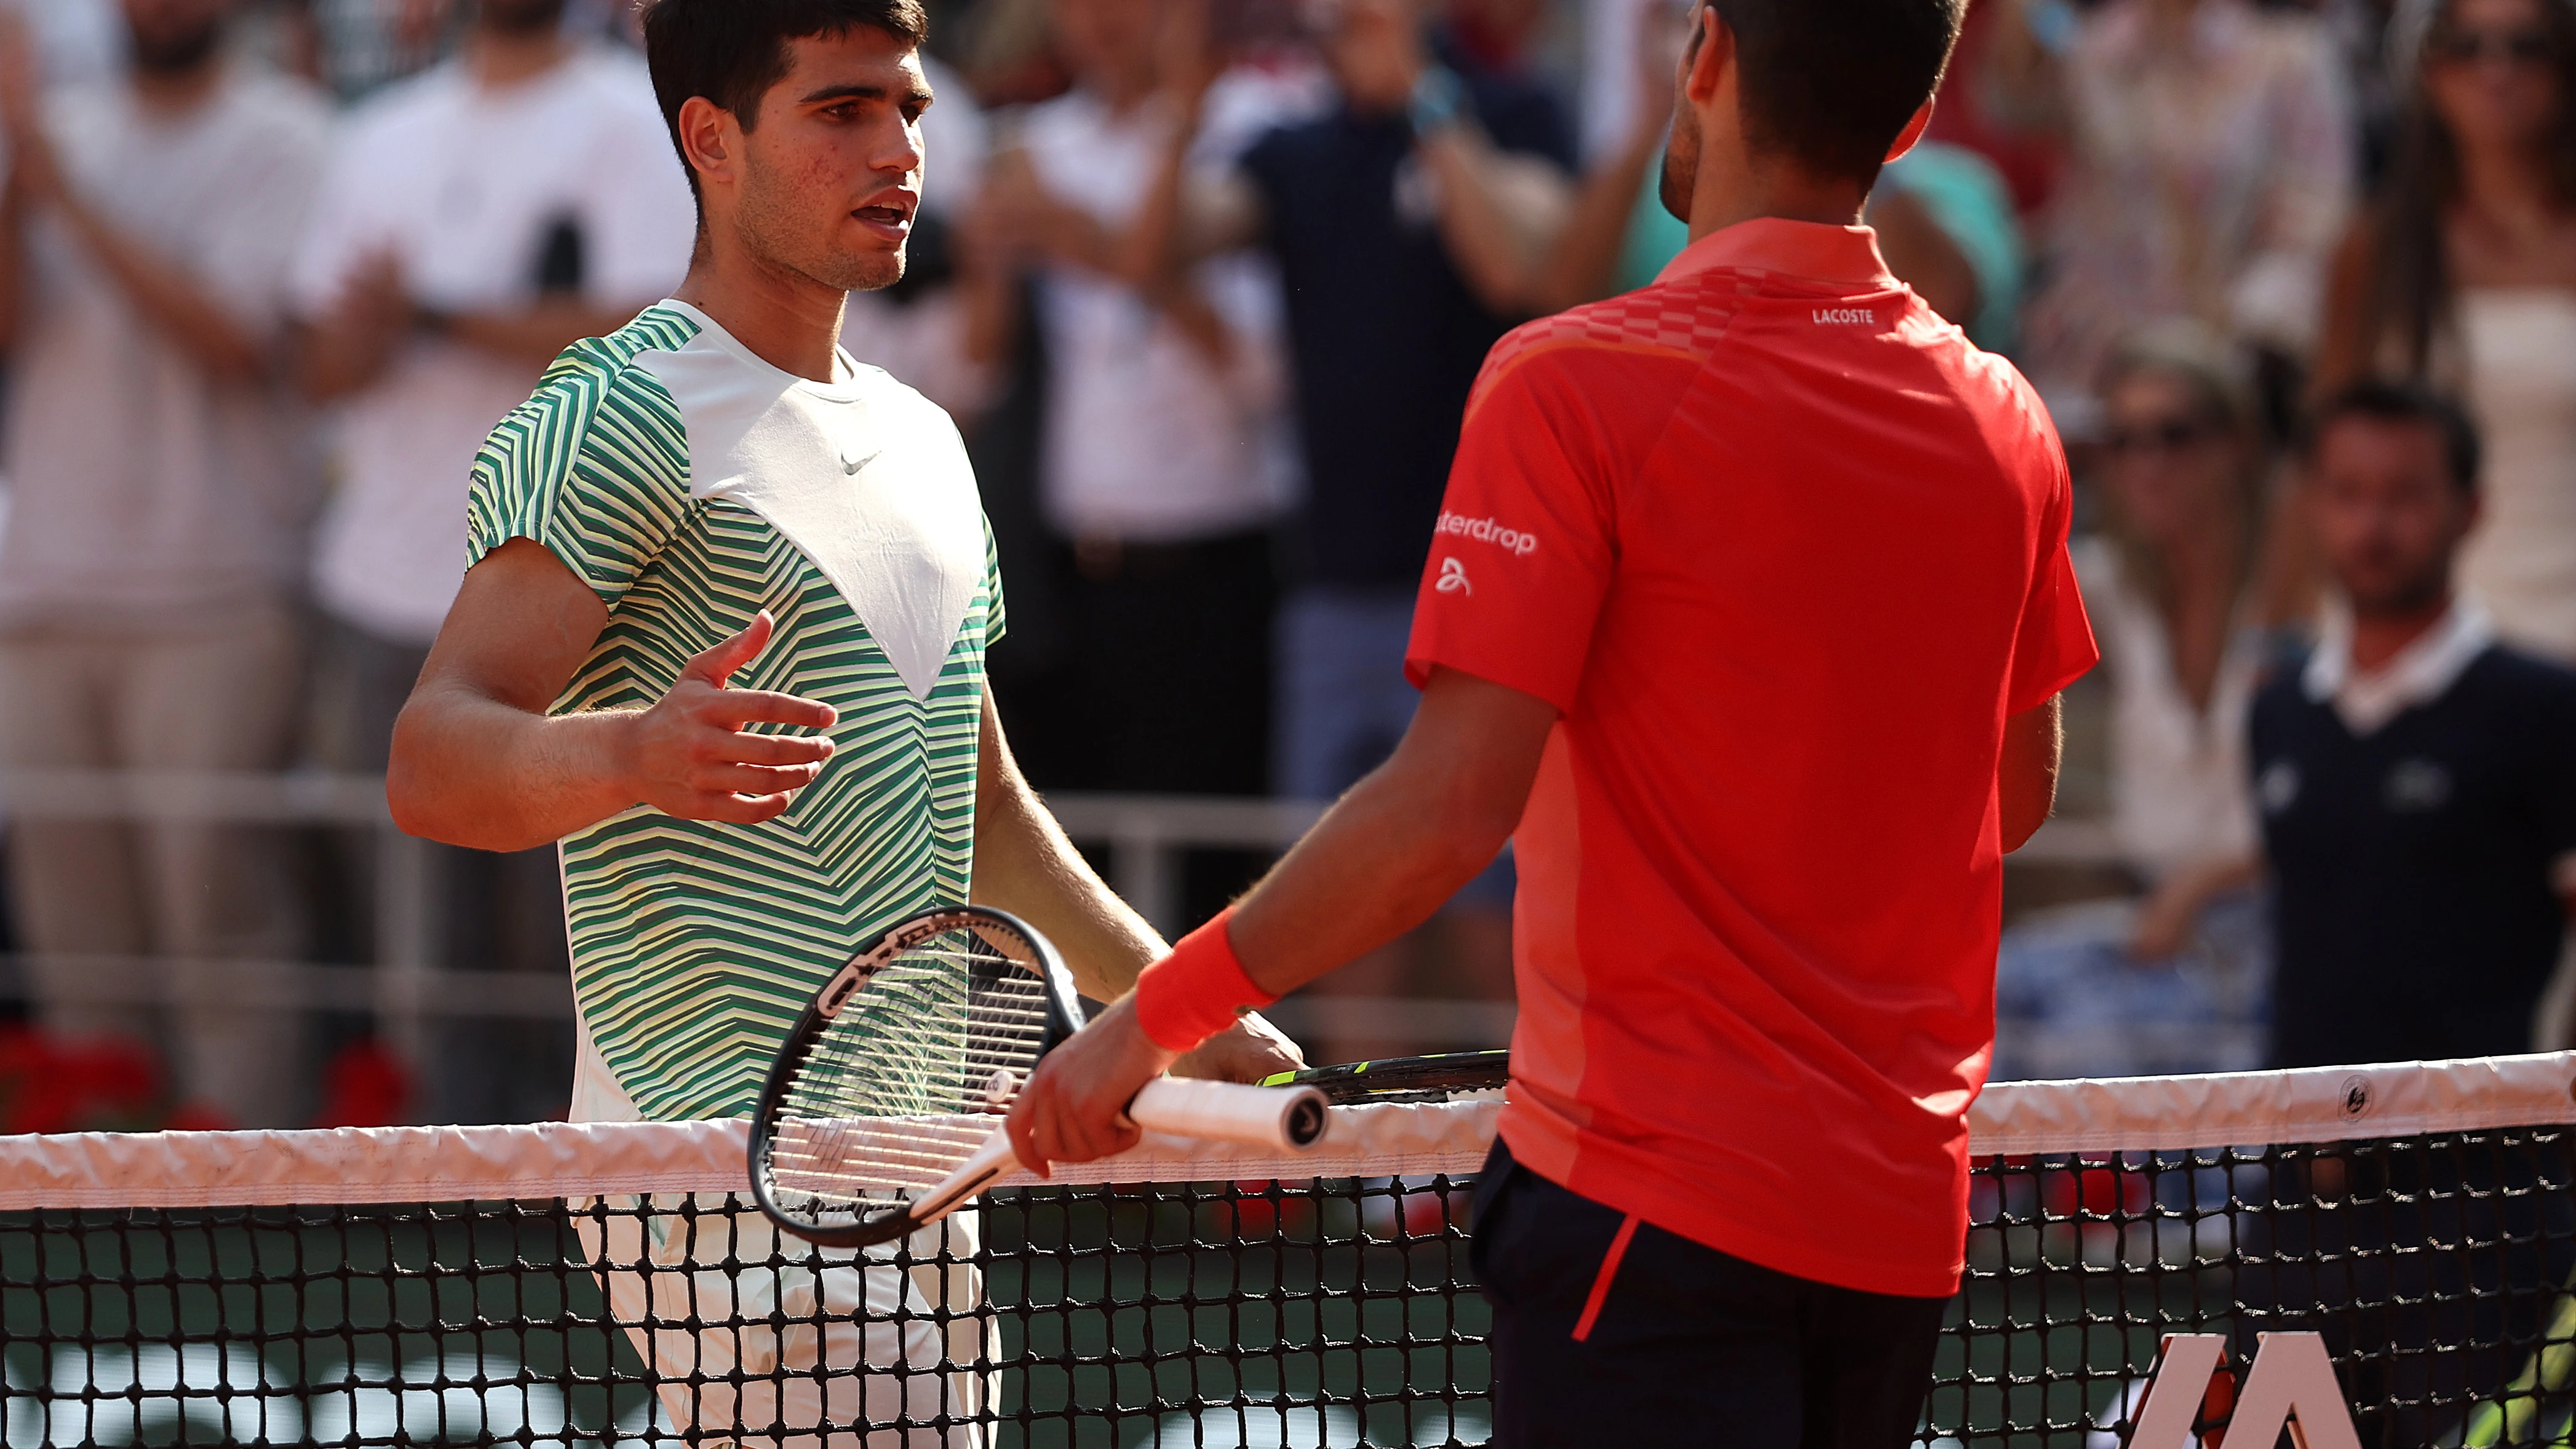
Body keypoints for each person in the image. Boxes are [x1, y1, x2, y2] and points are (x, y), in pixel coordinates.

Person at [1012, 0, 2097, 1443]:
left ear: (1702, 53)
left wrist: (1150, 1018)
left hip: (1648, 1217)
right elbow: (2007, 800)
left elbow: (1445, 811)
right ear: (1908, 126)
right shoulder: (2005, 419)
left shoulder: (1569, 381)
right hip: (1895, 1231)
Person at [383, 0, 1297, 1439]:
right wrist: (625, 753)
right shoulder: (619, 410)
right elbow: (434, 755)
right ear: (712, 141)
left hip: (917, 1164)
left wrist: (1189, 1007)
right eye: (840, 111)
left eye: (910, 112)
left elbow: (990, 823)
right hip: (712, 1178)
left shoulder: (930, 440)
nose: (896, 152)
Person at [1131, 0, 1577, 1062]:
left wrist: (1422, 97)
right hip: (1331, 590)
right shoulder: (1290, 147)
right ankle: (1377, 1203)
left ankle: (1505, 1169)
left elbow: (1518, 267)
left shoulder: (1514, 109)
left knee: (1493, 920)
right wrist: (1184, 102)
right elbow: (1152, 256)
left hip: (1490, 588)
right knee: (1339, 926)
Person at [288, 0, 695, 1121]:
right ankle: (448, 1196)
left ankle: (555, 1200)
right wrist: (374, 333)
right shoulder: (378, 135)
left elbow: (649, 331)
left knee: (557, 945)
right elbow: (319, 365)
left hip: (570, 599)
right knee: (415, 945)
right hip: (382, 588)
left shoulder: (630, 119)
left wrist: (430, 316)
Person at [0, 0, 329, 1127]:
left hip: (218, 595)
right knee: (76, 934)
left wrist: (65, 201)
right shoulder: (55, 138)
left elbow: (237, 340)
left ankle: (248, 1202)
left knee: (216, 919)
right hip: (42, 593)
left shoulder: (286, 135)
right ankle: (102, 1208)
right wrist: (16, 184)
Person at [964, 0, 1310, 856]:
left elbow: (1263, 370)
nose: (1099, 18)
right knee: (1076, 865)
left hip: (1219, 565)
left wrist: (1098, 244)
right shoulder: (1028, 145)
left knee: (1208, 864)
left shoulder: (1257, 132)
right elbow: (980, 362)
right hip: (1061, 575)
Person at [2255, 381, 2576, 1069]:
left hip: (2490, 1164)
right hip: (2299, 1160)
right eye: (2347, 492)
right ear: (2313, 506)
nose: (2372, 526)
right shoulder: (2277, 711)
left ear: (2471, 509)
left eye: (2404, 495)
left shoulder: (2546, 708)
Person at [1992, 323, 2271, 1081]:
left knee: (2075, 1045)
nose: (2147, 465)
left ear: (2238, 443)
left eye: (2174, 435)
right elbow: (1977, 578)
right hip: (2151, 918)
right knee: (1989, 1005)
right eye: (2122, 441)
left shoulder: (2303, 597)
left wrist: (2199, 888)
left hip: (2270, 926)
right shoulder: (2114, 586)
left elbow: (2342, 796)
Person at [2314, 0, 2576, 664]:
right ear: (2430, 72)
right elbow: (2322, 452)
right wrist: (2286, 625)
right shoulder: (2375, 249)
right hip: (2412, 631)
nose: (2496, 71)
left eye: (2526, 47)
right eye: (2466, 47)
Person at [2001, 0, 2357, 427]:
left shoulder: (2287, 58)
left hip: (2240, 372)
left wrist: (2228, 350)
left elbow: (2313, 226)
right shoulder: (2087, 55)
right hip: (2096, 370)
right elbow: (2006, 97)